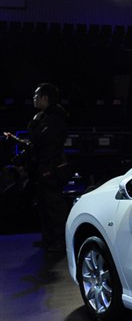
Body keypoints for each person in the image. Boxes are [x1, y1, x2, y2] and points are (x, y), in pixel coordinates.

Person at [3, 82, 70, 253]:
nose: (33, 98)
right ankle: (49, 239)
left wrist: (33, 129)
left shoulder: (55, 118)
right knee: (44, 205)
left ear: (45, 98)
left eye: (36, 95)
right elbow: (35, 143)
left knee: (54, 206)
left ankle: (60, 241)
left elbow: (39, 141)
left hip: (51, 168)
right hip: (42, 167)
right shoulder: (44, 117)